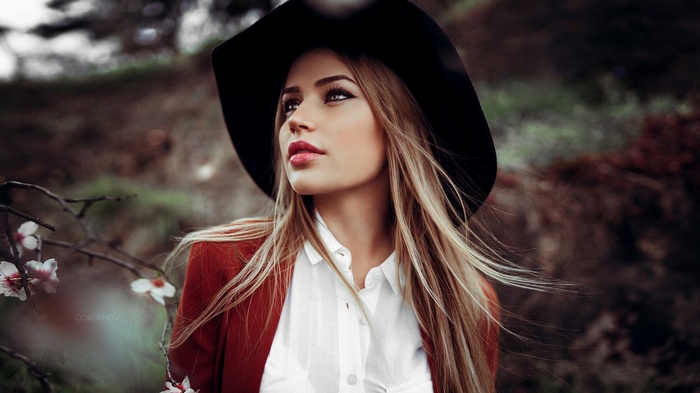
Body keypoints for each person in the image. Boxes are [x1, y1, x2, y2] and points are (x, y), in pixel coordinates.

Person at [166, 0, 533, 392]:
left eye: (335, 95)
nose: (296, 119)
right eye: (290, 103)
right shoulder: (225, 263)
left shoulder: (469, 305)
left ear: (399, 124)